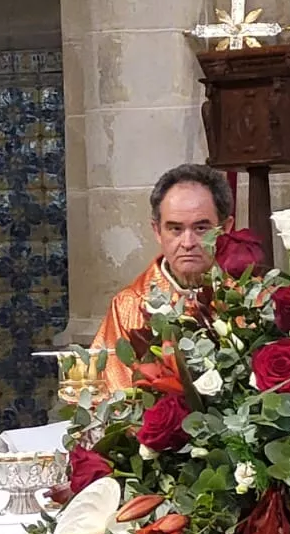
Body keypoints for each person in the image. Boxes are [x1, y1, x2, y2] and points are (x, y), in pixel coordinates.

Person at [93, 165, 235, 391]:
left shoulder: (247, 300)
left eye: (201, 228)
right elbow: (112, 395)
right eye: (175, 229)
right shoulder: (129, 307)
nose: (188, 243)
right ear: (157, 230)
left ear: (226, 228)